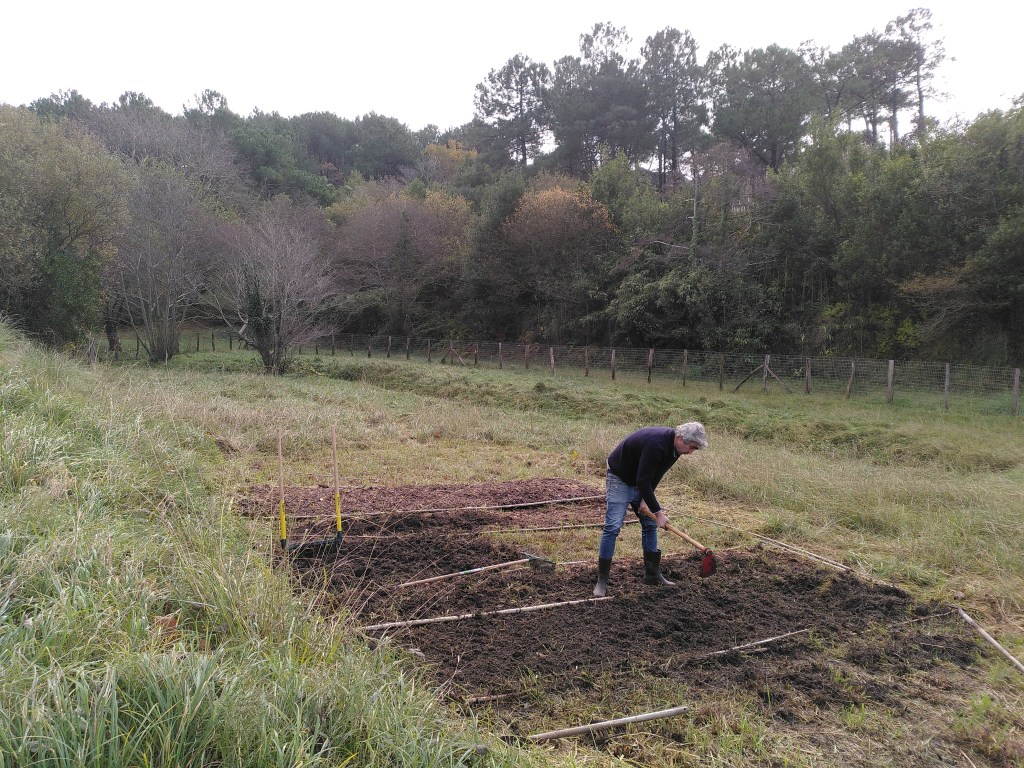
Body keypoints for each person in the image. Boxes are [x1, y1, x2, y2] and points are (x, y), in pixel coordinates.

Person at [593, 422, 708, 597]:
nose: (691, 452)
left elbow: (656, 474)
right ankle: (602, 580)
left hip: (641, 478)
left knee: (649, 523)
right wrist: (658, 513)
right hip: (620, 477)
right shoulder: (656, 444)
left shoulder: (676, 449)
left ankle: (652, 574)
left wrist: (646, 501)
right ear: (680, 438)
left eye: (695, 449)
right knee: (613, 525)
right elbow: (643, 481)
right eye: (692, 447)